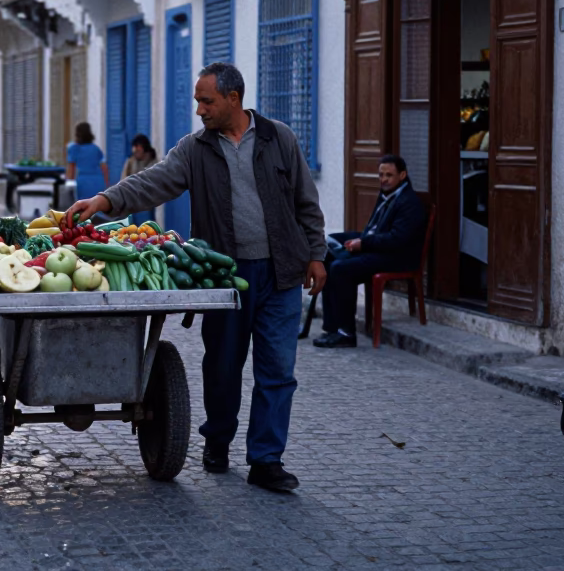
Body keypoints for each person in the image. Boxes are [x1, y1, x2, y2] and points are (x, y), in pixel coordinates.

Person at [65, 62, 327, 491]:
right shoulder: (194, 149)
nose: (200, 110)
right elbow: (154, 182)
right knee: (223, 366)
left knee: (278, 370)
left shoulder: (279, 138)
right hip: (225, 276)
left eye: (207, 101)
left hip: (281, 273)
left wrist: (316, 254)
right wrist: (106, 199)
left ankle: (266, 460)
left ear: (233, 99)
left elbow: (305, 202)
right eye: (198, 102)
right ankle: (218, 439)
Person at [313, 154, 426, 349]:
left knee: (341, 269)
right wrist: (359, 241)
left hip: (396, 257)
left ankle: (346, 333)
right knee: (328, 251)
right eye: (381, 175)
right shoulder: (388, 195)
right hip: (378, 248)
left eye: (389, 175)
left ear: (402, 175)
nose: (383, 179)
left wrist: (363, 244)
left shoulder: (408, 202)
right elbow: (373, 230)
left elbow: (397, 240)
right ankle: (332, 328)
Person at [121, 133, 159, 225]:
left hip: (146, 203)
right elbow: (123, 180)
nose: (135, 151)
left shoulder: (154, 163)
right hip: (132, 203)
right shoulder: (131, 161)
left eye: (138, 148)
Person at [66, 122, 107, 207]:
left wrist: (68, 183)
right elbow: (104, 168)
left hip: (83, 182)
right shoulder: (96, 149)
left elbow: (71, 169)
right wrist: (107, 184)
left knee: (83, 208)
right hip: (98, 181)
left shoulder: (74, 148)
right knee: (98, 208)